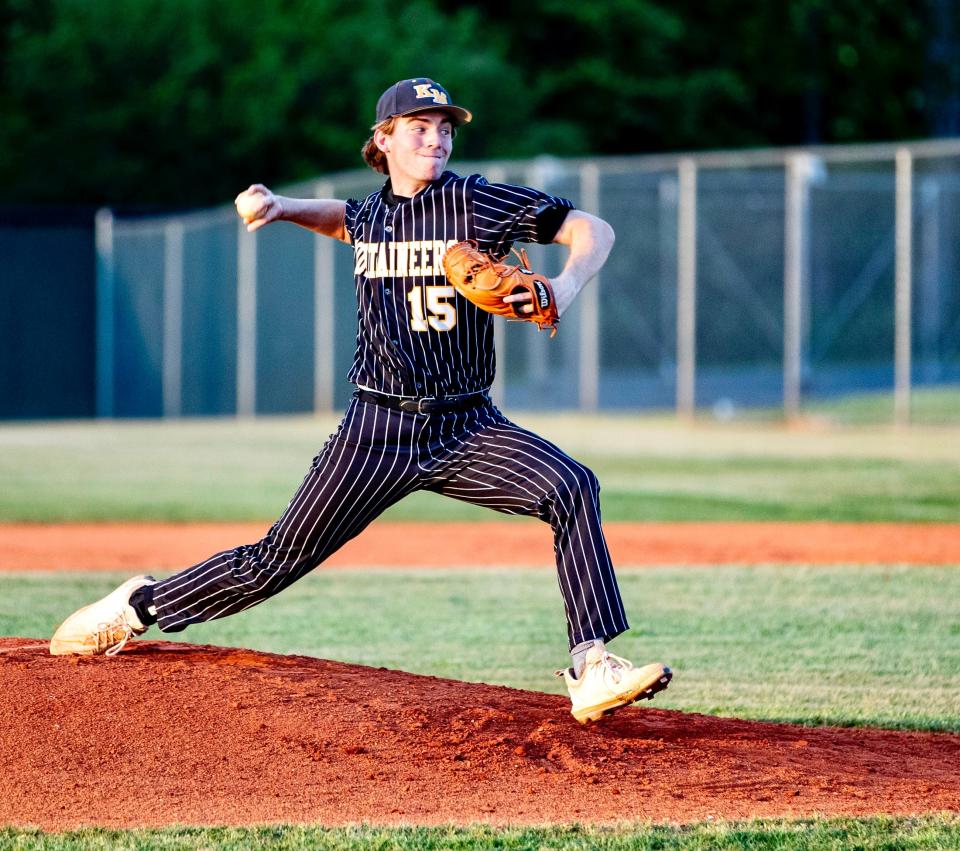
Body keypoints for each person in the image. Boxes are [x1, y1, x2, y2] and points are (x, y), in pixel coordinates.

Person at [50, 77, 671, 723]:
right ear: (384, 139)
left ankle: (592, 664)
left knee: (571, 486)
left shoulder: (478, 204)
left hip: (467, 424)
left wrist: (565, 288)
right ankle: (142, 603)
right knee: (275, 560)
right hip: (376, 429)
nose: (436, 138)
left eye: (445, 128)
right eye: (419, 126)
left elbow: (591, 228)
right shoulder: (374, 213)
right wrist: (281, 204)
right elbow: (345, 220)